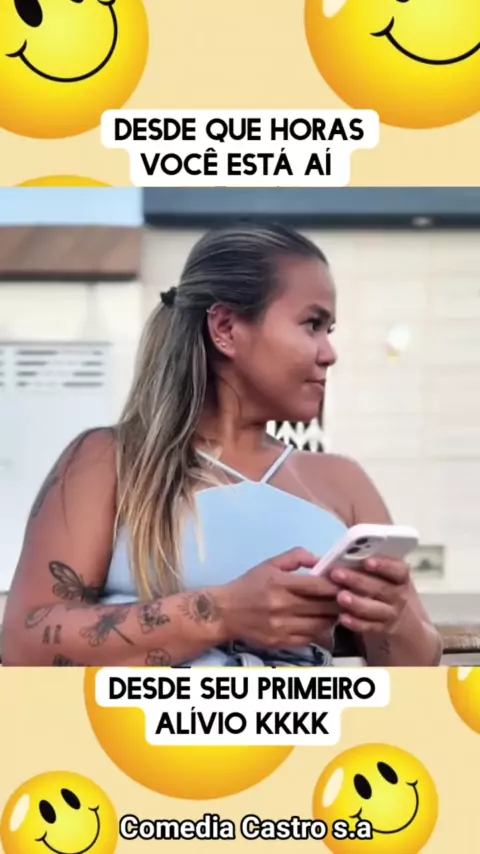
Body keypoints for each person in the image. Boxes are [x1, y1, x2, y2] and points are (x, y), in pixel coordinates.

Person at [2, 222, 442, 668]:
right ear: (226, 328)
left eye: (328, 330)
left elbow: (417, 668)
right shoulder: (107, 462)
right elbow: (24, 642)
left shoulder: (343, 483)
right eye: (312, 324)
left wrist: (392, 619)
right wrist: (222, 614)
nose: (329, 353)